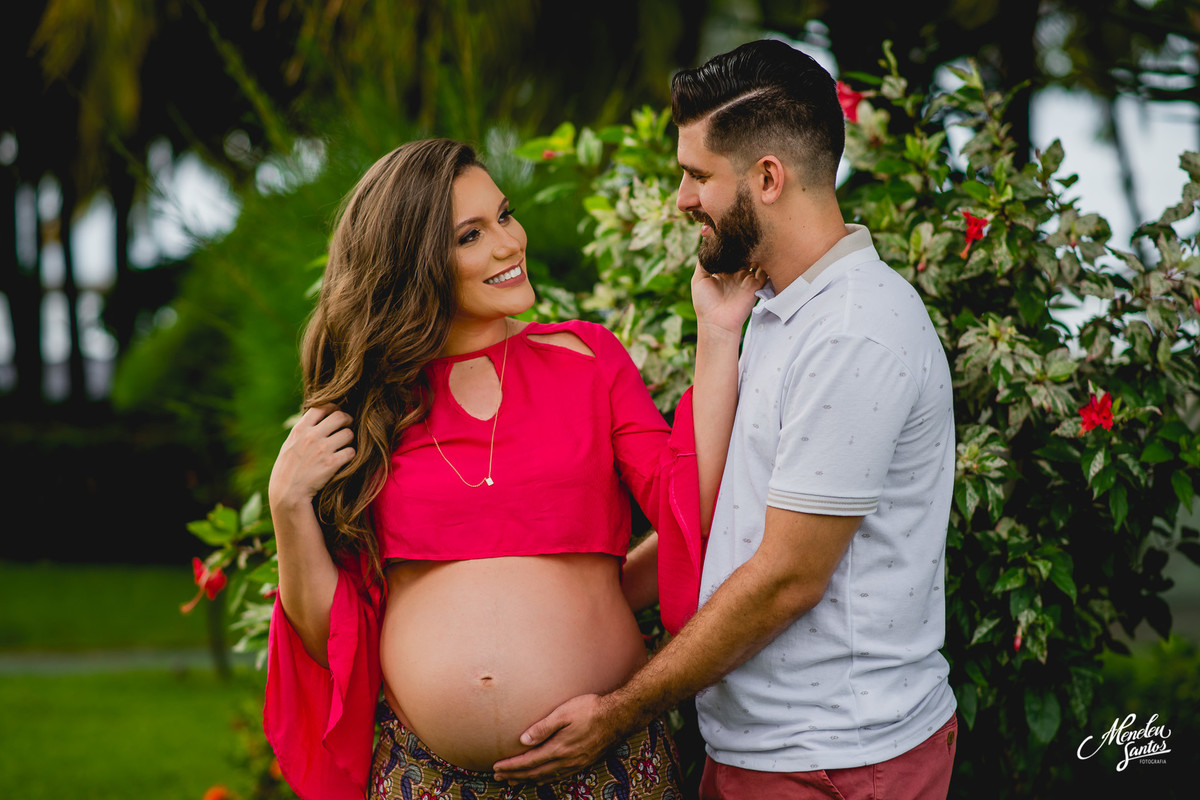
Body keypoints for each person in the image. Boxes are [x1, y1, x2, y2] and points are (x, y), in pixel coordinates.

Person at [493, 39, 959, 799]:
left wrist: (616, 714)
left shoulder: (853, 332)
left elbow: (785, 580)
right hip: (764, 751)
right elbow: (726, 521)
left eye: (698, 175)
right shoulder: (779, 307)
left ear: (768, 178)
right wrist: (571, 610)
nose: (682, 198)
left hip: (834, 761)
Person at [263, 137, 762, 800]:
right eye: (471, 235)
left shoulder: (587, 359)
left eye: (505, 215)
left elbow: (690, 504)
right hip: (426, 777)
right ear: (415, 263)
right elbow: (334, 635)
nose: (508, 243)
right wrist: (287, 505)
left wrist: (719, 334)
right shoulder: (373, 407)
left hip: (606, 763)